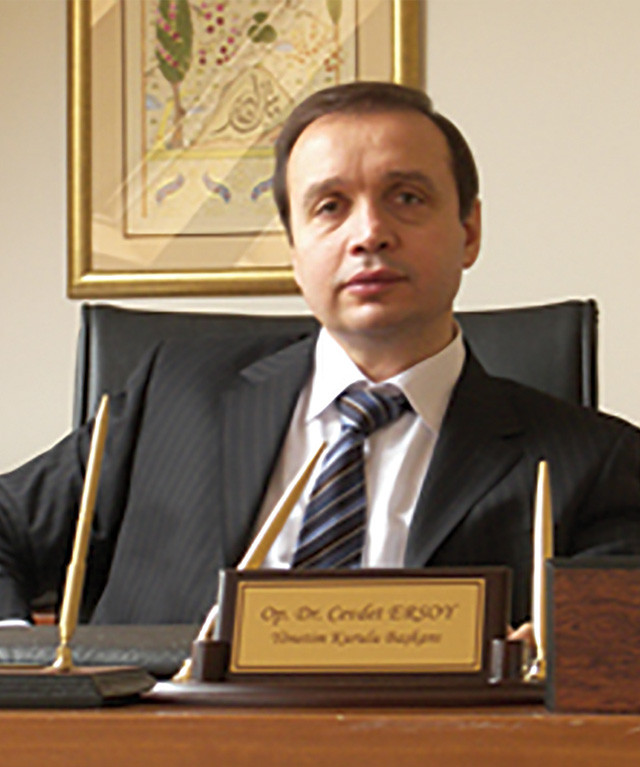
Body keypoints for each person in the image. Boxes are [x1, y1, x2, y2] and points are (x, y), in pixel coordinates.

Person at [1, 82, 639, 630]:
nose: (369, 234)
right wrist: (14, 652)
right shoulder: (170, 397)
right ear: (294, 249)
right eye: (330, 207)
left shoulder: (595, 463)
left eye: (407, 198)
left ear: (468, 232)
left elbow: (611, 650)